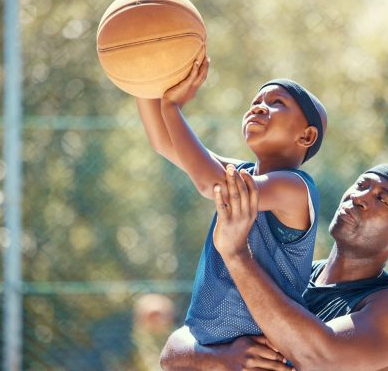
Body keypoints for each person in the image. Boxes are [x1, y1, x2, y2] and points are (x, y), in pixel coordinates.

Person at [160, 163, 388, 371]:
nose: (360, 197)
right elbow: (174, 350)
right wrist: (221, 357)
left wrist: (236, 254)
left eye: (382, 199)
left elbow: (319, 357)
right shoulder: (289, 275)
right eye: (362, 184)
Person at [135, 58, 328, 345]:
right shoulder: (241, 174)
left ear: (307, 135)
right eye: (256, 101)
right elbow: (164, 142)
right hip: (211, 347)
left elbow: (211, 184)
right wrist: (141, 73)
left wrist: (172, 107)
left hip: (260, 355)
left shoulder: (296, 187)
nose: (259, 106)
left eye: (277, 102)